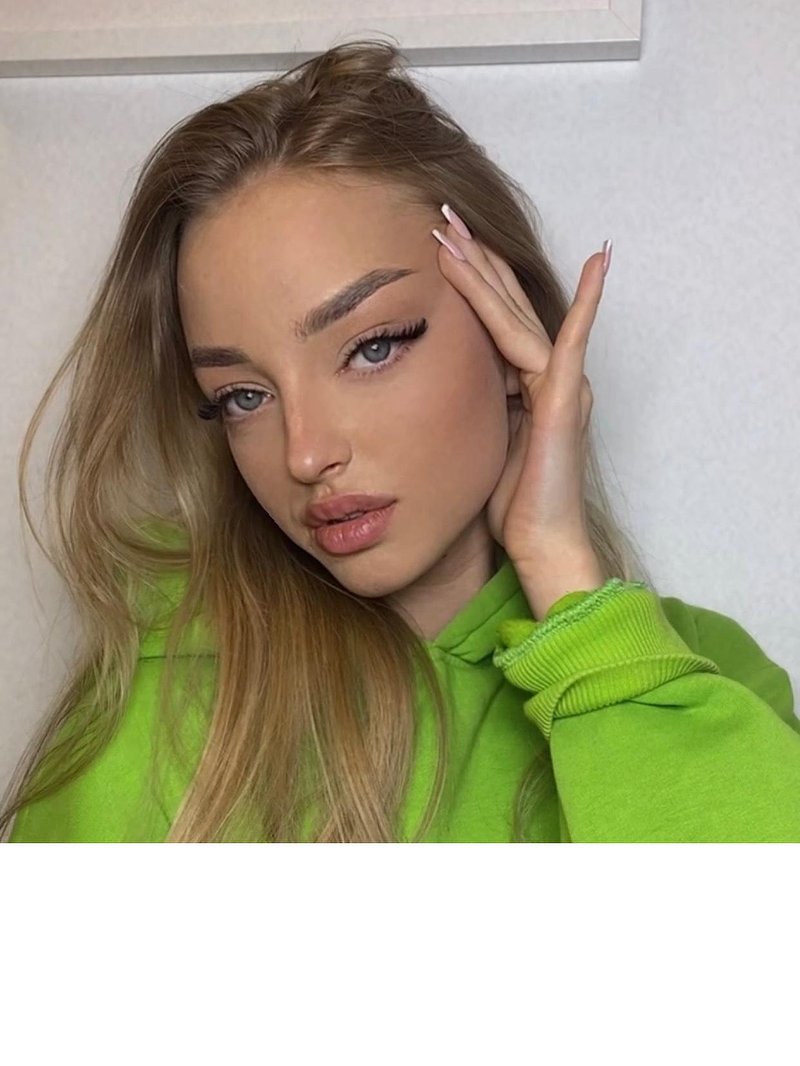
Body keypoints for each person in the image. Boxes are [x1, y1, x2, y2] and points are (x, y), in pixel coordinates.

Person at [3, 38, 798, 844]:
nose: (304, 454)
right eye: (243, 396)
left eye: (372, 347)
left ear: (509, 331)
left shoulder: (695, 677)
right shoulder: (157, 712)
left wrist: (564, 576)